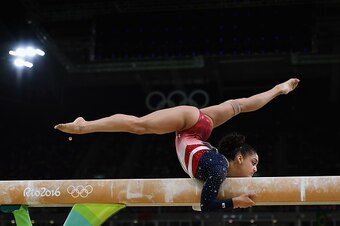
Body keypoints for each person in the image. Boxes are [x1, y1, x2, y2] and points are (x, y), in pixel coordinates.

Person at [54, 78, 300, 211]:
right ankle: (84, 125)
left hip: (200, 127)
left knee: (241, 105)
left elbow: (202, 200)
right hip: (190, 123)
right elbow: (207, 204)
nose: (255, 170)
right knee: (139, 125)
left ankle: (278, 89)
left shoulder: (217, 166)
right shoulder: (218, 169)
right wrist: (235, 202)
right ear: (238, 158)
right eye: (253, 162)